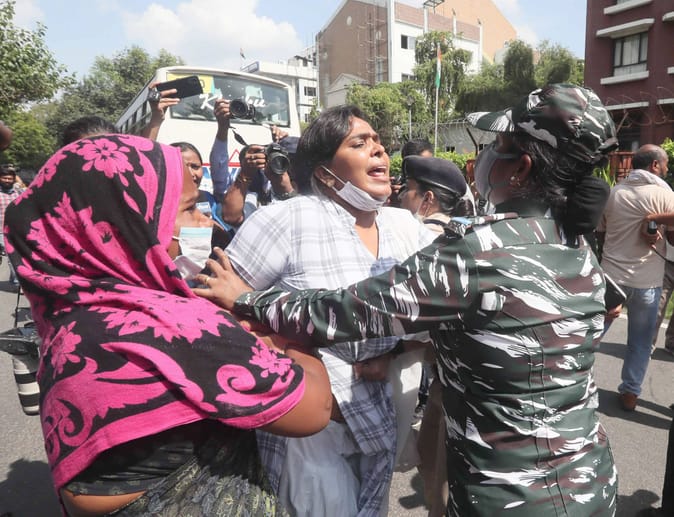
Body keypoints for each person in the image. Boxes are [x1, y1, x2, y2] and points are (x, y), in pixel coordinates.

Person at [199, 84, 620, 516]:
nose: (379, 151)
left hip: (517, 496)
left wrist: (250, 300)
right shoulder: (574, 243)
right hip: (589, 480)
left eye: (498, 145)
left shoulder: (478, 253)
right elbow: (606, 307)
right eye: (360, 143)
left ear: (520, 169)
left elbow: (349, 311)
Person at [4, 134, 331, 516]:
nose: (205, 222)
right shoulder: (172, 326)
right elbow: (314, 408)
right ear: (126, 226)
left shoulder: (69, 322)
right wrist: (282, 337)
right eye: (190, 210)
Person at [218, 105, 436, 517]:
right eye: (359, 143)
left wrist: (395, 352)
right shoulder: (286, 219)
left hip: (380, 416)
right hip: (308, 433)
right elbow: (219, 305)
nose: (379, 151)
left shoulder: (405, 227)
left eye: (378, 142)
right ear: (325, 173)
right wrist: (292, 356)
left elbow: (443, 308)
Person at [397, 155, 474, 516]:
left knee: (439, 481)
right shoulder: (464, 236)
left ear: (427, 199)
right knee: (434, 467)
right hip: (450, 376)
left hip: (443, 375)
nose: (401, 196)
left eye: (407, 190)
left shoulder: (422, 241)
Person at [598, 144, 674, 411]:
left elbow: (601, 231)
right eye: (665, 164)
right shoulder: (665, 194)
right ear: (654, 165)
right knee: (641, 342)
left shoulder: (614, 193)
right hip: (647, 282)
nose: (666, 168)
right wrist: (654, 224)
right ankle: (630, 393)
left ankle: (573, 378)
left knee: (592, 333)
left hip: (611, 278)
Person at [0, 164, 24, 288]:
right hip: (0, 230)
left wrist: (14, 172)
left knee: (13, 256)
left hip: (14, 230)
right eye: (4, 178)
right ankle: (15, 280)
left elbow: (25, 187)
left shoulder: (18, 191)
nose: (7, 180)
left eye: (10, 178)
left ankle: (15, 281)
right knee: (10, 256)